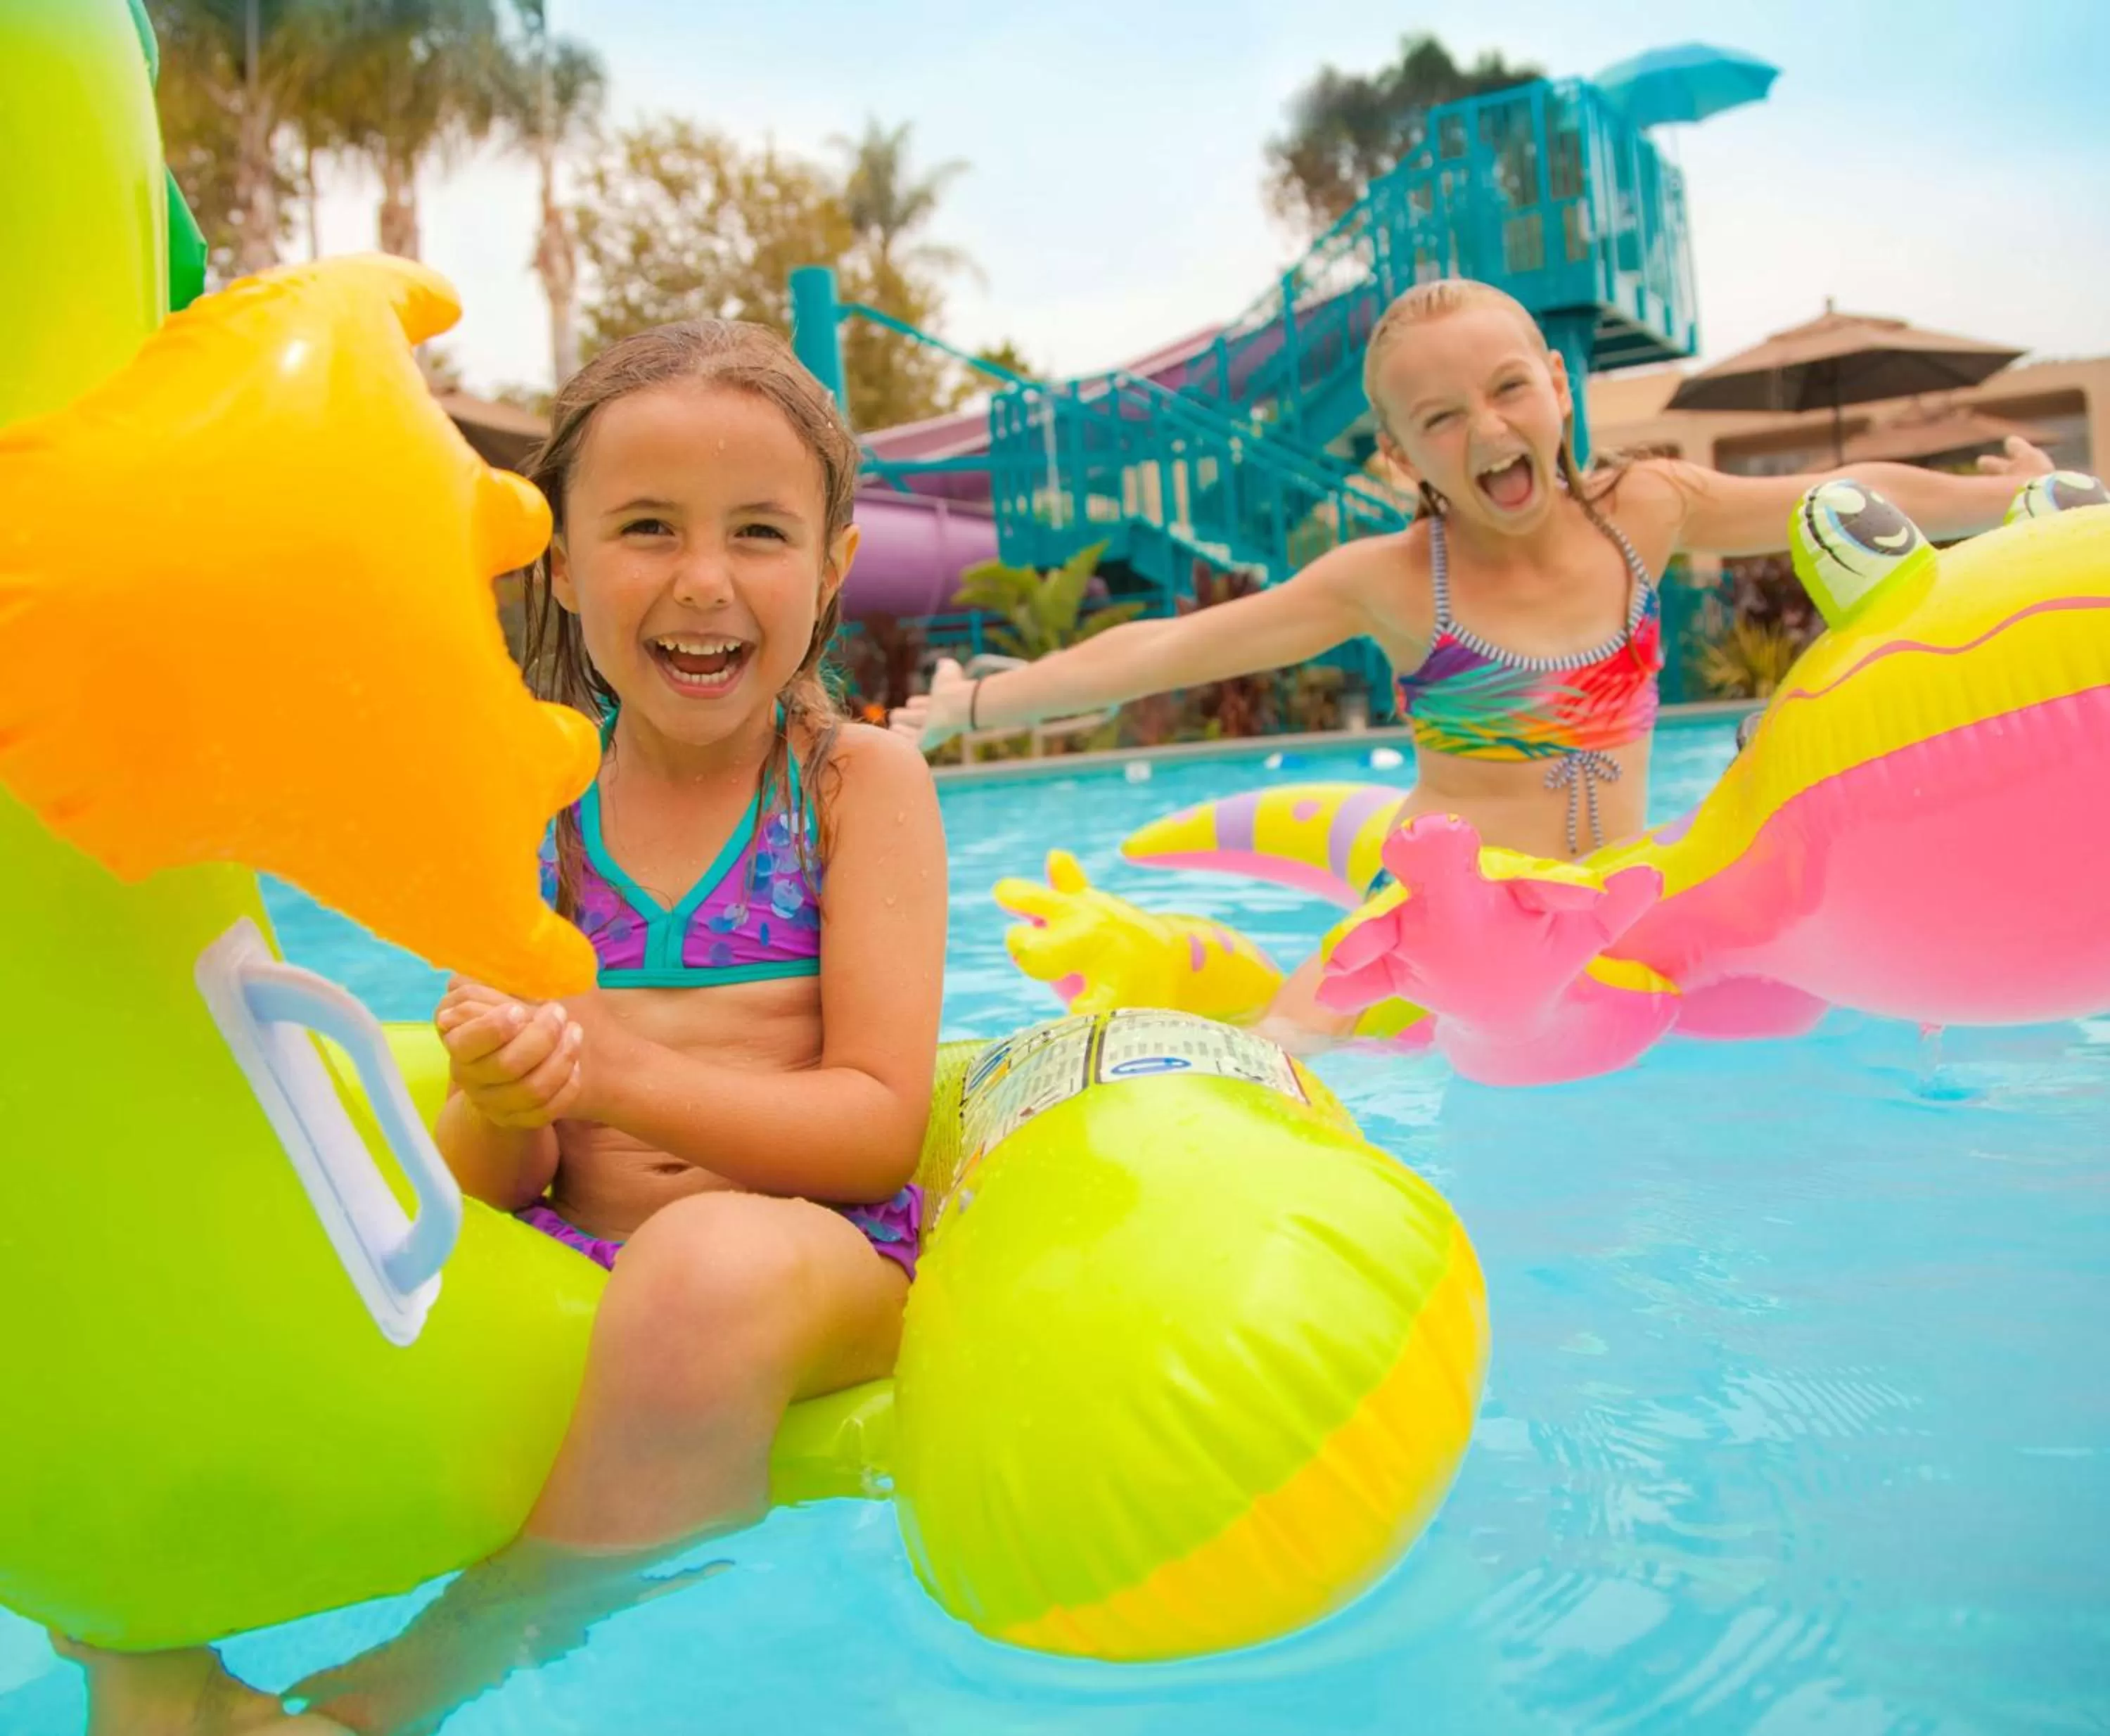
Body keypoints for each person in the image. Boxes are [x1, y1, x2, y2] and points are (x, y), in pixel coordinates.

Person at [63, 320, 946, 1736]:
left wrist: (622, 1071)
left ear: (832, 566)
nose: (703, 581)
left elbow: (878, 1128)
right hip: (573, 1257)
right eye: (647, 527)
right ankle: (151, 1640)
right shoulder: (537, 810)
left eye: (761, 532)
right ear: (560, 557)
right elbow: (502, 1183)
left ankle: (395, 1698)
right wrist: (509, 1087)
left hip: (815, 1255)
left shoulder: (853, 788)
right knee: (251, 1249)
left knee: (705, 1263)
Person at [894, 277, 2053, 1043]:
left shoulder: (1644, 512)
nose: (1488, 431)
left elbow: (1843, 501)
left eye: (1506, 389)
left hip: (1625, 897)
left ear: (1555, 382)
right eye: (1441, 420)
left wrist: (2005, 504)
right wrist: (977, 701)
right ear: (1402, 458)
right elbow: (1173, 649)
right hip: (1447, 926)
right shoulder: (1396, 583)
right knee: (1287, 1056)